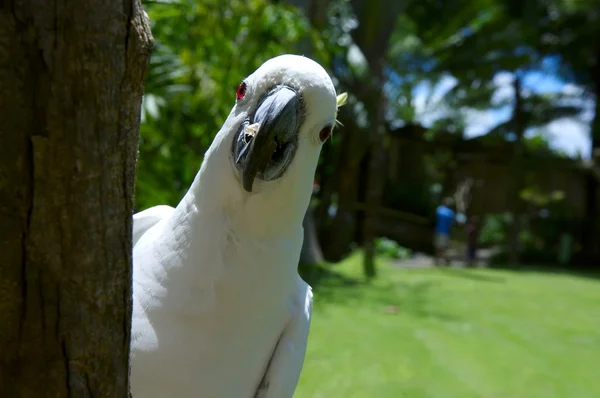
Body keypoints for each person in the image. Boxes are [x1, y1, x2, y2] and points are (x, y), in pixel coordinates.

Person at [434, 197, 456, 266]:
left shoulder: (439, 209)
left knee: (438, 247)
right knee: (444, 247)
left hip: (437, 231)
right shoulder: (450, 213)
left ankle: (438, 260)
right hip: (445, 232)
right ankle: (444, 260)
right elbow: (452, 224)